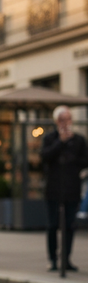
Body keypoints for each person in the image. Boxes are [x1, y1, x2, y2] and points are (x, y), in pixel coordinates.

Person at [41, 105, 88, 271]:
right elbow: (45, 157)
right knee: (53, 225)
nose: (65, 123)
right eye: (62, 120)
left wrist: (72, 157)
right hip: (53, 189)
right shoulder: (50, 138)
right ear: (56, 121)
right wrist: (60, 142)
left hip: (72, 189)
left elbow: (85, 161)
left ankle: (66, 259)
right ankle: (53, 259)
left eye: (68, 119)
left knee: (69, 225)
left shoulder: (79, 140)